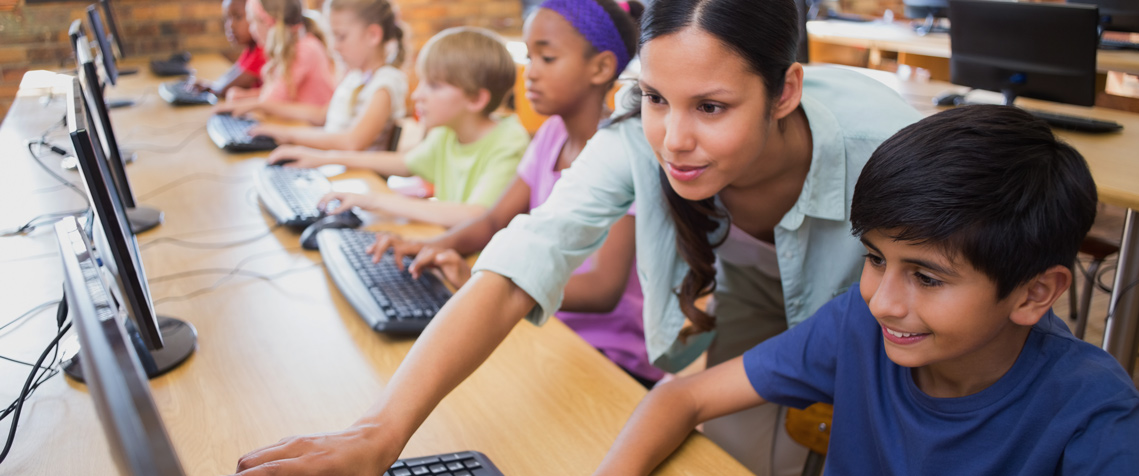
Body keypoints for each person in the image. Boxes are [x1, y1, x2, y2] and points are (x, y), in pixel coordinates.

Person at [233, 0, 921, 474]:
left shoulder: (880, 144)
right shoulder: (635, 139)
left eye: (711, 107)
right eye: (656, 97)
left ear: (784, 91)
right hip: (751, 301)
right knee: (740, 454)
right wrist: (378, 433)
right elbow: (529, 254)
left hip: (891, 321)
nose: (674, 141)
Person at [595, 105, 1139, 475]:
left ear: (1034, 293)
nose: (882, 301)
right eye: (875, 259)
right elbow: (683, 395)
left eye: (927, 277)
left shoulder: (1094, 413)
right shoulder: (856, 325)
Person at [367, 0, 660, 386]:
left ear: (601, 67)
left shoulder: (624, 155)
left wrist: (479, 278)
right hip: (541, 323)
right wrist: (431, 246)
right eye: (529, 56)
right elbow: (491, 220)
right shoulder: (550, 136)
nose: (530, 74)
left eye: (547, 58)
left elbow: (603, 289)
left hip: (608, 354)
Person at [270, 27, 531, 229]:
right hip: (449, 245)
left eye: (434, 86)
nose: (417, 96)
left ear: (476, 99)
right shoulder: (448, 131)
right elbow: (404, 163)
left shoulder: (509, 143)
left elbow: (475, 215)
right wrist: (324, 158)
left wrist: (375, 201)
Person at [245, 0, 409, 151]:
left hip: (357, 178)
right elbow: (321, 115)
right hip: (334, 166)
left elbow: (352, 142)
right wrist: (259, 105)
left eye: (341, 36)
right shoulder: (354, 76)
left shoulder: (386, 83)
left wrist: (288, 135)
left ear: (373, 35)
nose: (335, 47)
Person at [215, 0, 336, 110]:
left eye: (252, 22)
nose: (251, 30)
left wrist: (242, 103)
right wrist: (245, 96)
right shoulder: (291, 48)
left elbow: (271, 101)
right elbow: (278, 91)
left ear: (268, 23)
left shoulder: (303, 50)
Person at [192, 0, 265, 97]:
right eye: (227, 18)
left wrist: (214, 88)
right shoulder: (251, 48)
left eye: (238, 17)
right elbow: (232, 74)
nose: (230, 25)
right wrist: (212, 85)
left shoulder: (263, 51)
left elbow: (224, 88)